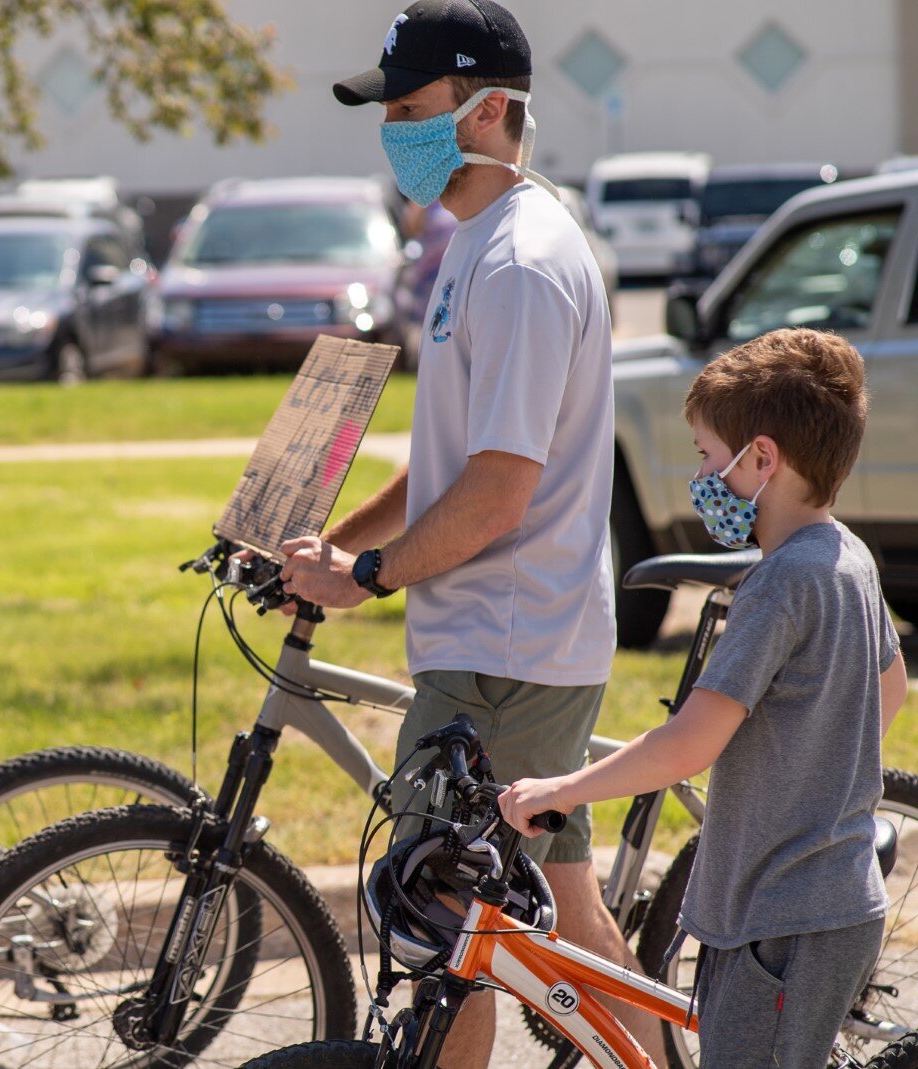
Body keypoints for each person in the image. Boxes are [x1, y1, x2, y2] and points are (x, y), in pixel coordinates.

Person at [279, 1, 666, 1062]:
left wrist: (366, 574)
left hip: (502, 649)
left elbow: (496, 492)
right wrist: (327, 544)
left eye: (411, 108)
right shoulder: (476, 244)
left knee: (449, 934)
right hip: (509, 641)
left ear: (488, 110)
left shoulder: (521, 263)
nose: (392, 129)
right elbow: (449, 462)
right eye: (387, 110)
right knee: (559, 918)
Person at [502, 328, 909, 1066]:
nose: (701, 476)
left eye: (705, 457)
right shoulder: (847, 556)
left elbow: (689, 743)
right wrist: (817, 771)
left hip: (780, 918)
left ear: (762, 458)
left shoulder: (779, 584)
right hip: (819, 905)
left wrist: (562, 787)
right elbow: (893, 686)